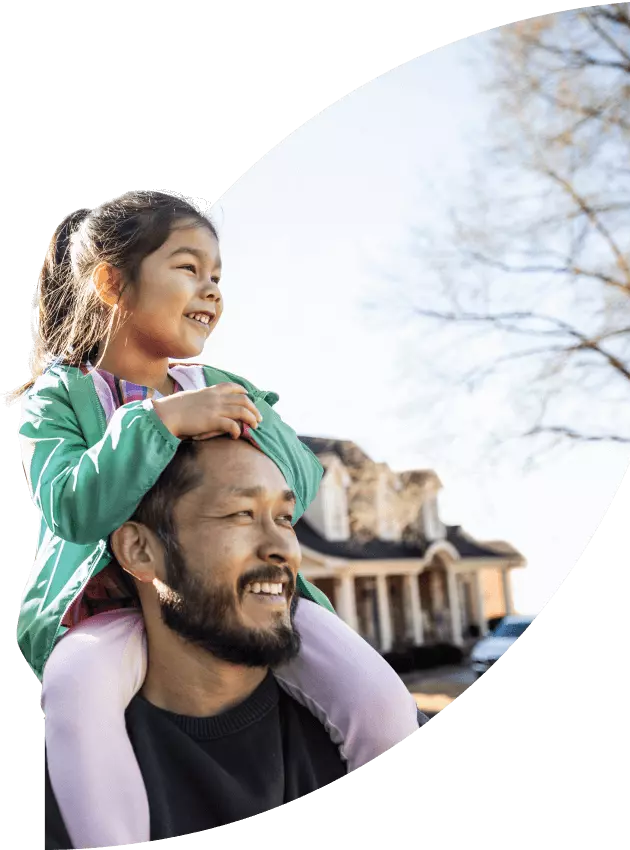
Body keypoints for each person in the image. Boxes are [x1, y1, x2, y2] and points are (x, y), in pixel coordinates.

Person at [18, 192, 425, 848]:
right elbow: (71, 507)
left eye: (217, 275)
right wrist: (156, 424)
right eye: (188, 267)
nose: (210, 288)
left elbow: (299, 480)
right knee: (74, 689)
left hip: (241, 597)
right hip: (107, 607)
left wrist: (244, 426)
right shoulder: (58, 399)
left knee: (378, 700)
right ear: (111, 281)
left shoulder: (221, 381)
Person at [44, 435, 366, 845]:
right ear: (140, 550)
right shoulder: (59, 790)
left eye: (285, 517)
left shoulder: (368, 731)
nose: (282, 548)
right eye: (241, 513)